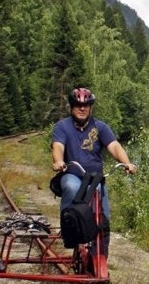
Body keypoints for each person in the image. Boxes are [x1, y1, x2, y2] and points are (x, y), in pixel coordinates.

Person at [51, 87, 137, 252]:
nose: (82, 108)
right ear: (72, 107)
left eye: (86, 105)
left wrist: (127, 163)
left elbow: (114, 146)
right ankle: (69, 227)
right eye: (78, 105)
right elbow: (58, 146)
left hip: (95, 178)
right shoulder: (62, 127)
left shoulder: (100, 127)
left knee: (103, 217)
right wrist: (59, 161)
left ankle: (99, 259)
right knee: (72, 187)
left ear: (91, 107)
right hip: (72, 174)